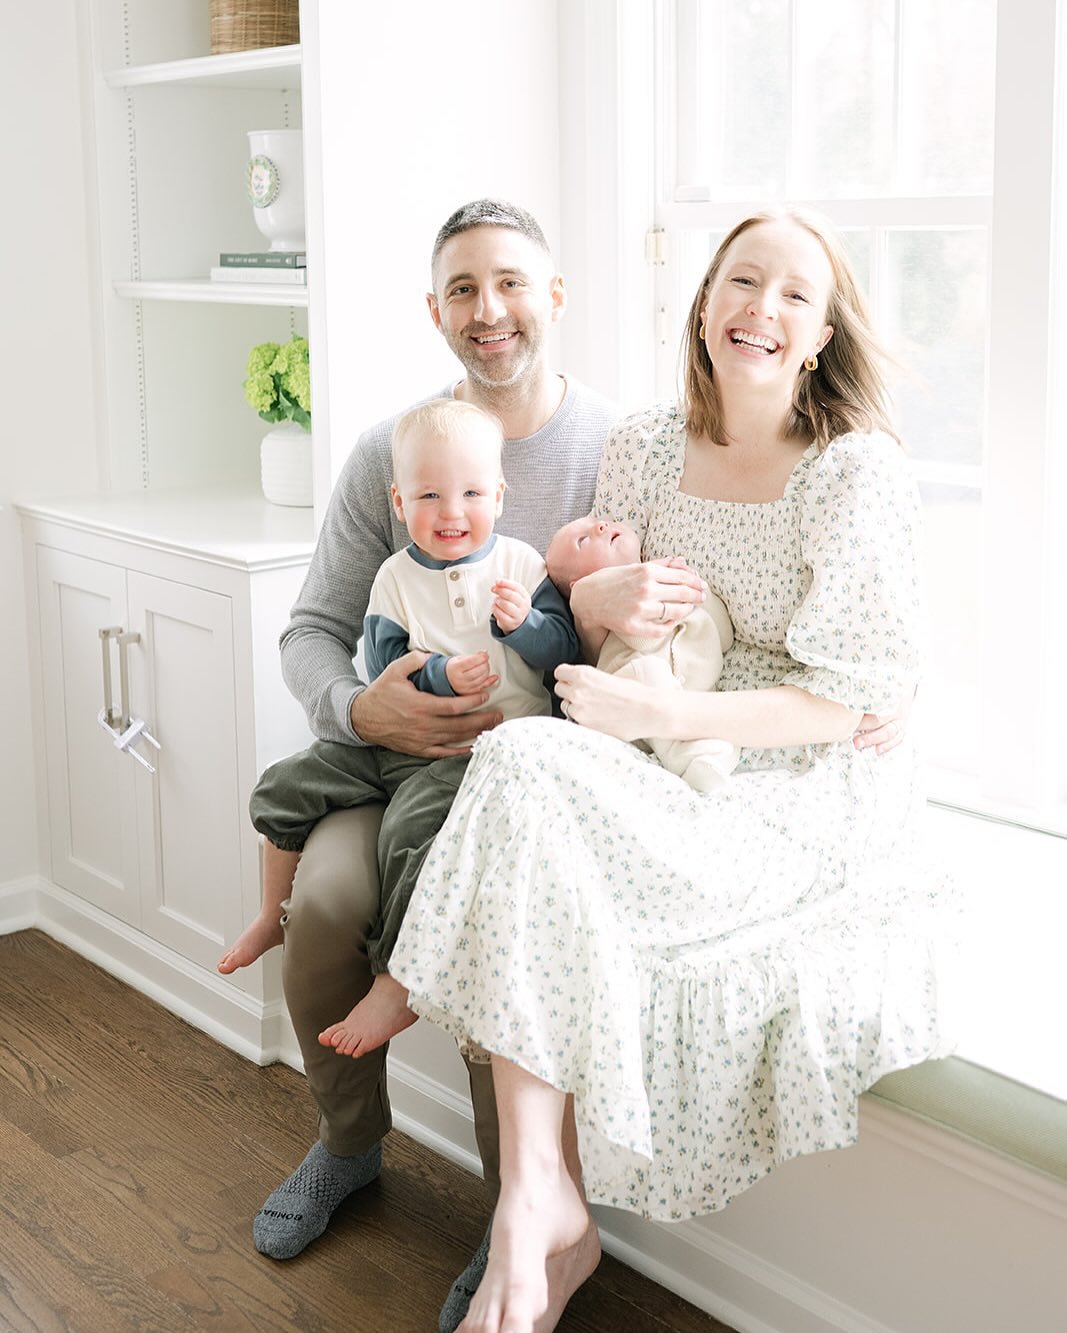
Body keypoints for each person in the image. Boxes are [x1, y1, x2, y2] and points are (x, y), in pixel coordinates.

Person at [389, 207, 952, 1333]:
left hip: (789, 783)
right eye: (741, 281)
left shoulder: (852, 474)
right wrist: (592, 609)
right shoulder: (643, 445)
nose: (761, 308)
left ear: (821, 331)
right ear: (701, 305)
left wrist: (658, 704)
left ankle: (532, 1205)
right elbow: (600, 644)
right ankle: (537, 1197)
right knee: (516, 761)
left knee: (525, 792)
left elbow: (839, 705)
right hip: (655, 734)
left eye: (793, 294)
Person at [245, 200, 624, 1324]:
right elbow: (312, 628)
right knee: (324, 902)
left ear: (552, 296)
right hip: (393, 757)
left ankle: (518, 1207)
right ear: (435, 312)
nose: (487, 309)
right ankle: (348, 1144)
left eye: (509, 282)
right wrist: (361, 709)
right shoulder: (391, 451)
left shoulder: (614, 445)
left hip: (531, 781)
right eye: (461, 289)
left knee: (475, 930)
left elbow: (639, 627)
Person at [219, 397, 578, 1059]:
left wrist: (521, 625)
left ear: (497, 496)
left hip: (471, 754)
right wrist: (440, 677)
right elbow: (384, 662)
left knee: (411, 833)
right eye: (429, 495)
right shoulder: (395, 577)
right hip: (388, 738)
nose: (449, 512)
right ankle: (273, 912)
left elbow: (563, 651)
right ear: (398, 500)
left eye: (471, 493)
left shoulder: (523, 568)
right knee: (283, 786)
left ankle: (397, 977)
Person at [546, 515, 737, 792]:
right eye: (583, 540)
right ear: (580, 585)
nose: (600, 526)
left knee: (719, 724)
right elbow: (643, 641)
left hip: (695, 693)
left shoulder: (666, 574)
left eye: (602, 521)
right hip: (631, 700)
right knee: (648, 672)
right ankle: (691, 760)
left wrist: (694, 590)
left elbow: (724, 637)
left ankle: (713, 759)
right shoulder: (604, 614)